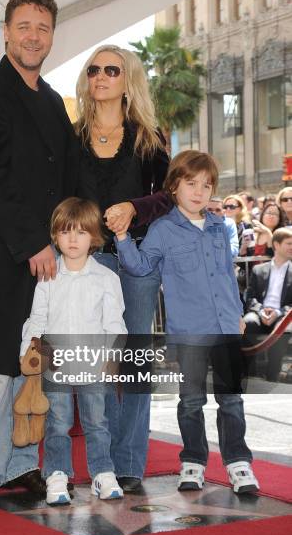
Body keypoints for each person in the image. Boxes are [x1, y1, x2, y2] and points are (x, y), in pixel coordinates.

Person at [0, 0, 78, 507]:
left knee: (33, 360)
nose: (34, 36)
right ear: (6, 31)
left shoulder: (53, 101)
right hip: (2, 253)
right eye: (24, 26)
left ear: (52, 35)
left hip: (47, 258)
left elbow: (69, 178)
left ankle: (22, 463)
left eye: (43, 27)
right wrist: (33, 241)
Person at [113, 150, 259, 495]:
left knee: (232, 399)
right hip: (189, 331)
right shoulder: (162, 229)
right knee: (191, 401)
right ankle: (193, 462)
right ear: (174, 186)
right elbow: (142, 266)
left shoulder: (219, 227)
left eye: (207, 186)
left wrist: (237, 314)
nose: (199, 192)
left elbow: (227, 275)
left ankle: (239, 463)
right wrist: (121, 238)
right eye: (191, 184)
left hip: (225, 327)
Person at [76, 44, 169, 491]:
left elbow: (169, 196)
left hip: (136, 262)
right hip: (86, 260)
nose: (100, 76)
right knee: (96, 363)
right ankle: (102, 460)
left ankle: (129, 462)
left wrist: (134, 207)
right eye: (94, 69)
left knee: (132, 363)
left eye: (111, 69)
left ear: (127, 77)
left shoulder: (149, 136)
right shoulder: (71, 136)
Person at [20, 197, 127, 505]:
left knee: (98, 422)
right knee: (57, 422)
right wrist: (30, 349)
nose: (72, 239)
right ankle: (56, 474)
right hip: (55, 364)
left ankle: (103, 473)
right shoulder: (47, 277)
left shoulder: (107, 278)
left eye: (81, 232)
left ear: (94, 237)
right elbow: (37, 317)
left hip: (93, 364)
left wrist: (113, 356)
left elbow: (114, 322)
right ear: (55, 236)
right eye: (66, 232)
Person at [243, 227, 292, 381]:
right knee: (248, 322)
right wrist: (262, 310)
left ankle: (272, 375)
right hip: (259, 312)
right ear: (276, 245)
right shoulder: (258, 269)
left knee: (285, 327)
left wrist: (278, 313)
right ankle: (250, 375)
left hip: (283, 314)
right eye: (289, 243)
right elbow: (250, 298)